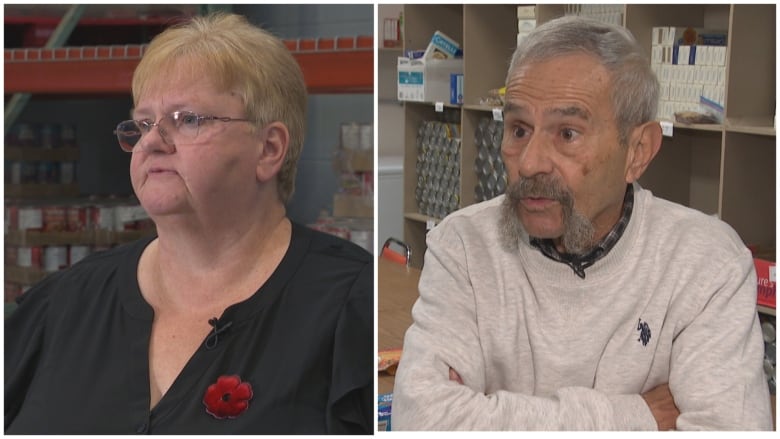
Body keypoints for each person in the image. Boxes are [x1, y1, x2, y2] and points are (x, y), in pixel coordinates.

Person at [392, 16, 772, 431]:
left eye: (567, 134)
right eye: (518, 129)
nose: (531, 162)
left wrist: (485, 414)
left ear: (638, 151)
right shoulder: (463, 246)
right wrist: (636, 415)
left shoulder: (706, 263)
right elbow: (421, 420)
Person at [5, 12, 373, 434]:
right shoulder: (66, 303)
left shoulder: (350, 306)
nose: (152, 142)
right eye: (144, 123)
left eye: (188, 119)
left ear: (269, 149)